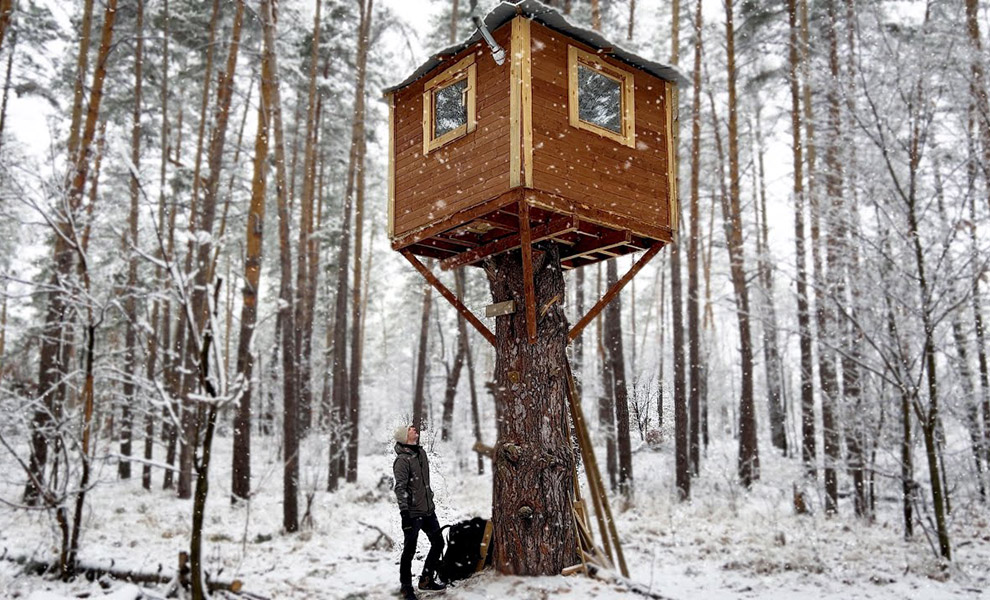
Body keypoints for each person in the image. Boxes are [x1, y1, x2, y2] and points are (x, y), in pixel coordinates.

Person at [393, 425, 446, 599]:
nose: (415, 430)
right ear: (404, 436)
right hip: (413, 513)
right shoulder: (402, 460)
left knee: (438, 542)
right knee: (410, 549)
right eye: (410, 429)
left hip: (428, 510)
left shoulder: (421, 454)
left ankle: (426, 580)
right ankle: (406, 587)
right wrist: (404, 514)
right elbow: (400, 488)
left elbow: (424, 482)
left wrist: (429, 497)